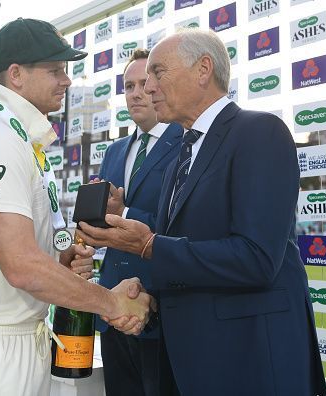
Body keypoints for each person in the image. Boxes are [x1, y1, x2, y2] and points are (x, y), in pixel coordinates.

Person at [77, 28, 326, 396]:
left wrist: (150, 246)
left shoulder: (259, 133)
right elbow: (191, 251)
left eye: (157, 73)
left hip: (249, 362)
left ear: (203, 69)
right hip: (188, 363)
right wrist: (146, 295)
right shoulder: (184, 152)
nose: (147, 89)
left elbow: (256, 259)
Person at [0, 18, 153, 396]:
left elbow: (27, 257)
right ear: (16, 75)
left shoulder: (22, 141)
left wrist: (60, 260)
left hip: (20, 335)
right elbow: (20, 265)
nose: (66, 80)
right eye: (55, 70)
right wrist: (110, 302)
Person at [95, 48, 182, 396]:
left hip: (159, 309)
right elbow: (104, 225)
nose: (135, 93)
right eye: (128, 86)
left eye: (143, 83)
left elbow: (185, 223)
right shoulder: (114, 151)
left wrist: (125, 214)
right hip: (113, 308)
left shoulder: (186, 144)